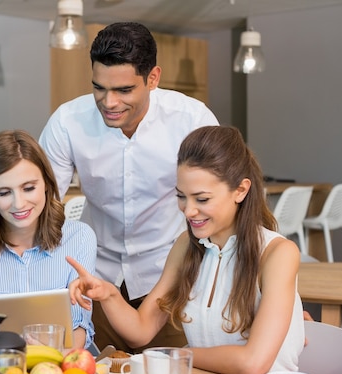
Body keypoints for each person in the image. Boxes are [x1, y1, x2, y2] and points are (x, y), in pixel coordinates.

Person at [68, 126, 304, 374]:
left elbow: (253, 363)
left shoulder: (278, 253)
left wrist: (179, 354)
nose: (188, 211)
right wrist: (109, 294)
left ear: (240, 190)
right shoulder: (188, 245)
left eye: (201, 199)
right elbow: (141, 330)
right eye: (181, 196)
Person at [39, 21, 219, 353]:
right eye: (99, 88)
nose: (108, 103)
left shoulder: (192, 120)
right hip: (98, 280)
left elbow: (223, 210)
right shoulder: (68, 122)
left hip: (170, 282)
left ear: (153, 78)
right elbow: (39, 205)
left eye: (124, 91)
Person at [0, 130, 96, 349]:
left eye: (29, 188)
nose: (19, 204)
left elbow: (78, 328)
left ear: (47, 183)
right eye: (4, 193)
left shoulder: (79, 238)